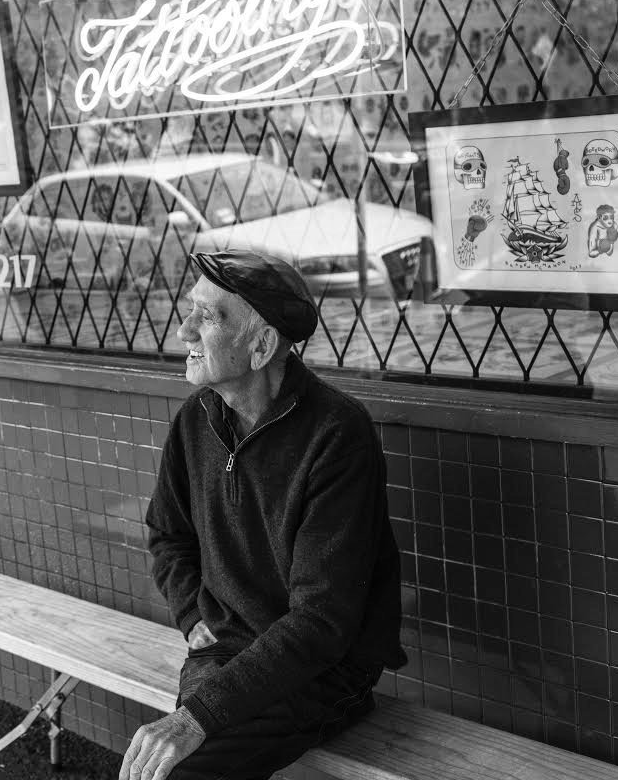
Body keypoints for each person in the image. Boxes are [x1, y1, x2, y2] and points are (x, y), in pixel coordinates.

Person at [119, 250, 406, 780]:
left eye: (207, 317)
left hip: (322, 670)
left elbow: (321, 623)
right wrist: (190, 612)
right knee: (166, 768)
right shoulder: (195, 418)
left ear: (261, 346)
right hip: (223, 649)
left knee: (181, 772)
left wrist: (198, 717)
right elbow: (167, 534)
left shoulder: (337, 434)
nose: (183, 330)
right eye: (190, 311)